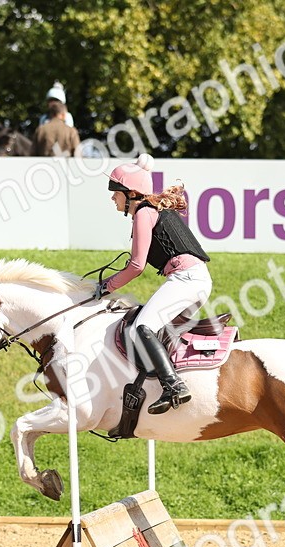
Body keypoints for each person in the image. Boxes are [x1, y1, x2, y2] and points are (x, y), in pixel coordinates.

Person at [96, 155, 212, 414]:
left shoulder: (144, 213)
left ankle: (173, 386)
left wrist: (106, 287)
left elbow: (136, 266)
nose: (113, 198)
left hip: (187, 279)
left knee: (142, 327)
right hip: (196, 279)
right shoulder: (152, 210)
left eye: (116, 193)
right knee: (157, 331)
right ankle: (167, 383)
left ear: (132, 193)